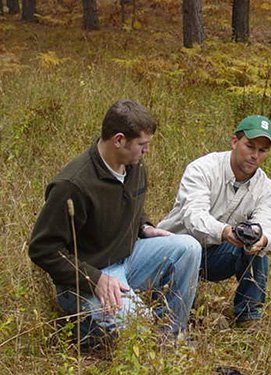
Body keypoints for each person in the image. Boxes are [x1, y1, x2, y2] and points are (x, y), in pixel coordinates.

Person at [29, 99, 201, 342]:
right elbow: (42, 248)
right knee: (138, 332)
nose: (146, 150)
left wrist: (145, 227)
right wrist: (94, 279)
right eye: (142, 144)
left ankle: (170, 336)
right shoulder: (73, 185)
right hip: (87, 276)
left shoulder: (134, 166)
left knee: (188, 248)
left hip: (128, 258)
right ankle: (86, 328)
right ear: (119, 140)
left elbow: (130, 205)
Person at [158, 115, 271, 327]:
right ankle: (182, 313)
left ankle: (248, 318)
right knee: (188, 248)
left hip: (214, 255)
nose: (255, 156)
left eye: (262, 151)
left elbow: (269, 225)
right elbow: (193, 217)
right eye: (250, 146)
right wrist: (225, 231)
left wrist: (262, 239)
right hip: (173, 252)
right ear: (234, 142)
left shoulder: (266, 188)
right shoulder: (203, 169)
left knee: (256, 249)